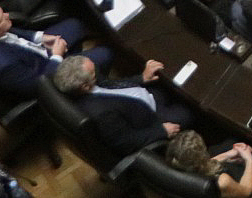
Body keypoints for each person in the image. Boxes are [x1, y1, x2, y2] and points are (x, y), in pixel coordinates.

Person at [50, 53, 193, 156]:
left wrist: (141, 78)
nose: (97, 72)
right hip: (150, 120)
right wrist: (161, 131)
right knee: (188, 112)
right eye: (94, 73)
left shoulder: (87, 84)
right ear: (85, 86)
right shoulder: (102, 115)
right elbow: (125, 143)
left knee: (168, 86)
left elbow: (112, 85)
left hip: (139, 101)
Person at [0, 2, 107, 98]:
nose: (7, 15)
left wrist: (41, 38)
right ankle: (94, 89)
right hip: (44, 72)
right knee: (105, 54)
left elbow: (9, 32)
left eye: (3, 12)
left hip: (36, 51)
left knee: (75, 25)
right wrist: (57, 56)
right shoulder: (4, 66)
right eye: (1, 19)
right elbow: (39, 86)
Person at [164, 130, 252, 198]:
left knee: (230, 141)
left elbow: (201, 166)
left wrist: (229, 154)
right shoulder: (223, 182)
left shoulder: (177, 168)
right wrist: (249, 160)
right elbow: (246, 192)